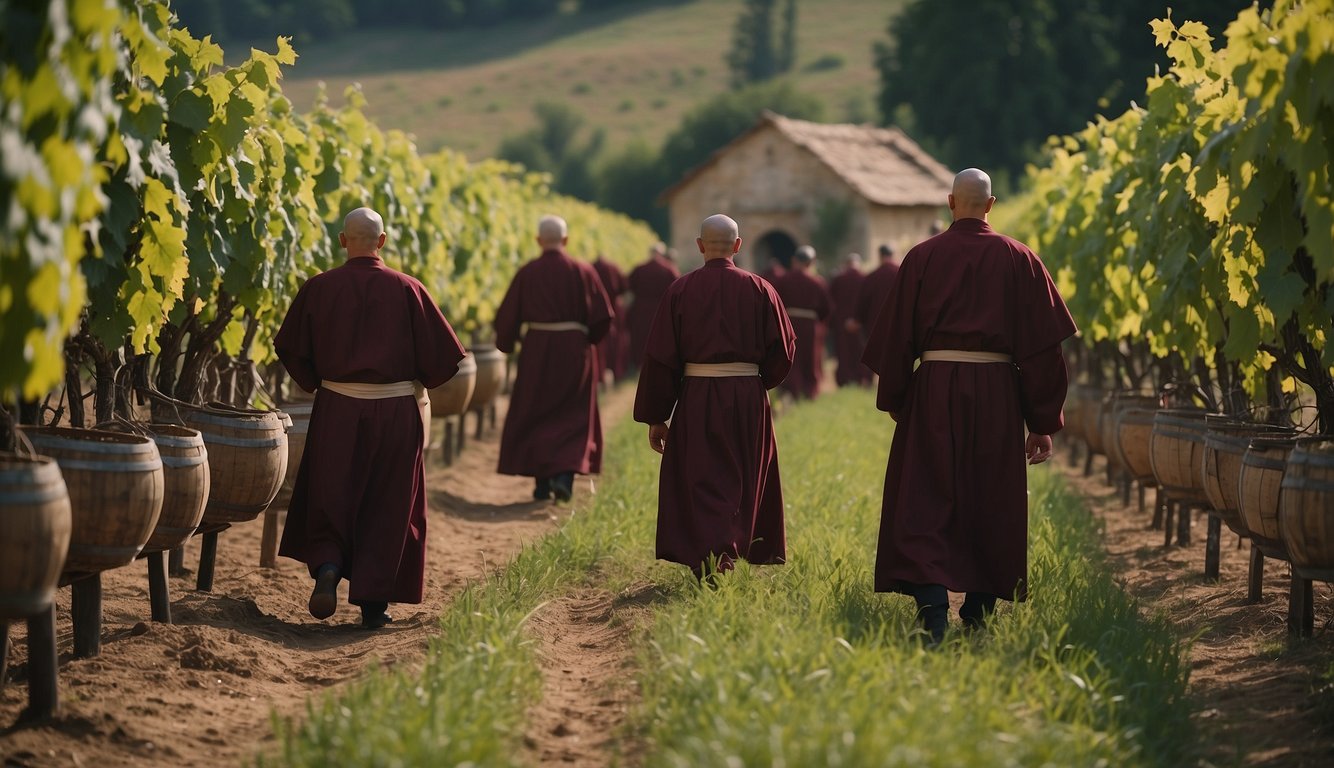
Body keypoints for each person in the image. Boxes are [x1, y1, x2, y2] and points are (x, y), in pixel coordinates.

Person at [862, 168, 1077, 643]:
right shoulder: (1020, 259)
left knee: (925, 494)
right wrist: (1041, 420)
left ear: (950, 203)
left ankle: (933, 609)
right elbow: (1045, 352)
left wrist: (900, 399)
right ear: (992, 204)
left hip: (935, 388)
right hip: (998, 393)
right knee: (990, 496)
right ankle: (978, 610)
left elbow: (895, 338)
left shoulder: (921, 259)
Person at [275, 207, 467, 629]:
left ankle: (328, 565)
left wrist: (317, 381)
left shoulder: (318, 288)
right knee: (388, 501)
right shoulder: (409, 289)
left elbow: (289, 348)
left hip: (338, 408)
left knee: (332, 492)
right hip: (396, 411)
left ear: (343, 241)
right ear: (383, 241)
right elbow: (445, 360)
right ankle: (373, 603)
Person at [634, 214, 796, 580]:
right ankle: (725, 554)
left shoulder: (680, 291)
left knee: (701, 476)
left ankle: (711, 560)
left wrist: (658, 415)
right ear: (738, 246)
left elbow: (660, 357)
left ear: (700, 245)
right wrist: (754, 383)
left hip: (697, 397)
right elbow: (784, 351)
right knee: (741, 476)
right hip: (747, 398)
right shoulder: (761, 289)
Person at [495, 215, 614, 502]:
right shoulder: (583, 271)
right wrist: (588, 340)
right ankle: (564, 476)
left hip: (537, 350)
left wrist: (508, 344)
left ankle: (542, 482)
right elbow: (603, 317)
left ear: (538, 241)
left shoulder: (527, 272)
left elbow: (506, 317)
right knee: (572, 413)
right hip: (575, 351)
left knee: (537, 411)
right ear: (566, 240)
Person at [773, 245, 832, 400]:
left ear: (794, 260)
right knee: (810, 358)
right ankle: (809, 390)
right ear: (811, 262)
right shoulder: (817, 282)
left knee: (792, 356)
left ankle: (791, 389)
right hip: (810, 326)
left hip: (789, 324)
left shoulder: (783, 279)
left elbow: (774, 304)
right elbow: (826, 308)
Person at [626, 242, 680, 370]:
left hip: (640, 310)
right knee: (659, 338)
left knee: (641, 337)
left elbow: (629, 287)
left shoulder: (639, 269)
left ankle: (640, 365)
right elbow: (677, 289)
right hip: (661, 310)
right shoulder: (669, 269)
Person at [829, 252, 872, 386]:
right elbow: (870, 302)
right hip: (860, 323)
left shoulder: (839, 279)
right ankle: (861, 378)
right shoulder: (865, 278)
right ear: (858, 264)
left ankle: (844, 379)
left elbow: (831, 301)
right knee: (860, 351)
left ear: (847, 264)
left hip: (842, 322)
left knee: (844, 352)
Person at [592, 252, 630, 383]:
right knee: (613, 341)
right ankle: (613, 371)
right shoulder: (613, 268)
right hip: (613, 309)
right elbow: (623, 287)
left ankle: (602, 374)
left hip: (595, 311)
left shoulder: (591, 268)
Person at [853, 244, 900, 335]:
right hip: (898, 324)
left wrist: (858, 318)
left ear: (880, 256)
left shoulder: (872, 277)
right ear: (893, 255)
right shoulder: (901, 272)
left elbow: (863, 301)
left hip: (875, 326)